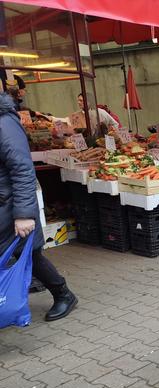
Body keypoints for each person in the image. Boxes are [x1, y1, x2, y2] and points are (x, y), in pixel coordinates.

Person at [0, 92, 77, 321]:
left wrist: (23, 214)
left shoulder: (4, 122)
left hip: (10, 206)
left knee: (29, 255)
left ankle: (63, 293)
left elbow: (22, 168)